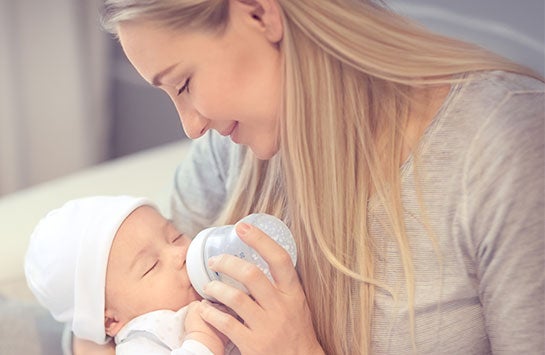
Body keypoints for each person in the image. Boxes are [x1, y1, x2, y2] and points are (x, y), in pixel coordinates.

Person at [84, 0, 544, 354]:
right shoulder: (230, 150)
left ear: (259, 13)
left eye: (183, 84)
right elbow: (120, 306)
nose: (191, 126)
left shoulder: (504, 147)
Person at [25, 195, 239, 354]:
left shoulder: (214, 280)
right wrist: (203, 341)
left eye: (175, 236)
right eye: (151, 265)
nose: (179, 253)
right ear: (110, 321)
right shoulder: (144, 337)